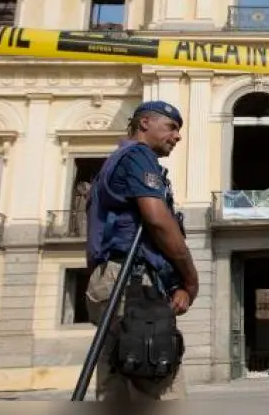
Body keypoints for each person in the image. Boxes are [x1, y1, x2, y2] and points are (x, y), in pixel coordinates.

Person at [84, 100, 199, 404]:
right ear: (145, 123)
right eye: (172, 127)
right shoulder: (139, 155)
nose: (177, 136)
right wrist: (189, 279)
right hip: (133, 283)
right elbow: (157, 219)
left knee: (117, 390)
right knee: (160, 385)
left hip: (109, 281)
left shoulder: (113, 161)